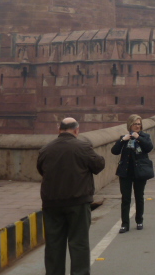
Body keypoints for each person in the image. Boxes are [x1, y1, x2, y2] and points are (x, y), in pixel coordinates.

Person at [37, 117, 105, 275]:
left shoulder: (46, 149)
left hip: (51, 203)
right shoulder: (83, 146)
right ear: (76, 130)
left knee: (53, 244)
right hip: (78, 202)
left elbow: (41, 170)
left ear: (58, 129)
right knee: (79, 243)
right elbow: (99, 165)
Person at [111, 114, 154, 233]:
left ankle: (139, 220)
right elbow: (114, 151)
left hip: (140, 172)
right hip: (125, 172)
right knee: (125, 198)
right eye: (135, 124)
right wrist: (122, 140)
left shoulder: (145, 136)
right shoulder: (124, 138)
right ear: (130, 125)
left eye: (139, 124)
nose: (137, 126)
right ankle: (125, 224)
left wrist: (138, 138)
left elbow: (149, 147)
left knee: (139, 197)